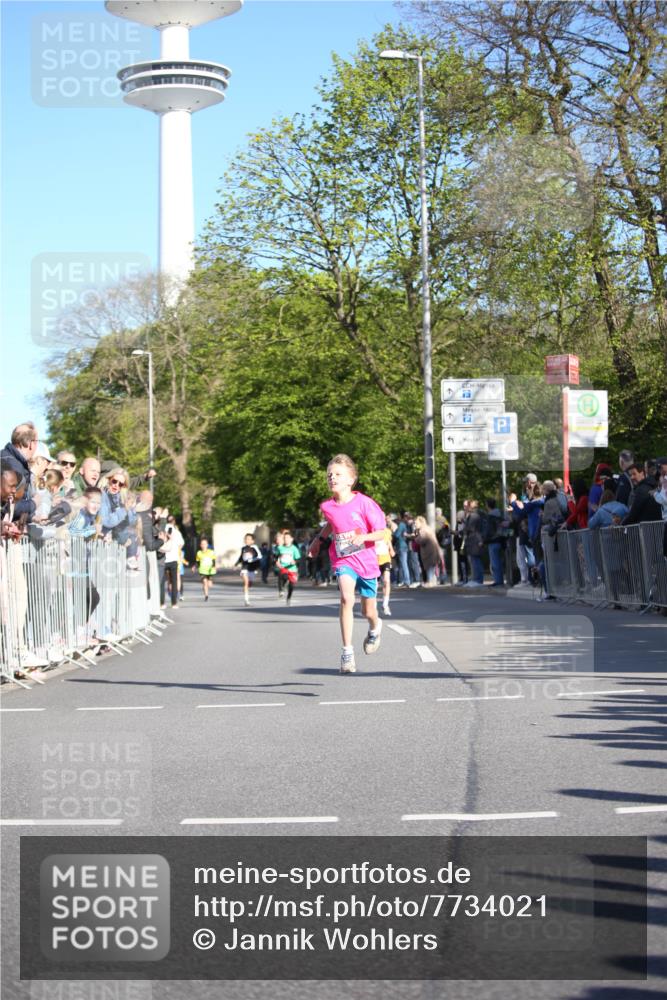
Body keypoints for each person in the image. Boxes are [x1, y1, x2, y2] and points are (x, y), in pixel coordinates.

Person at [308, 454, 386, 674]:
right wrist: (318, 541)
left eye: (338, 474)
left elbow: (382, 531)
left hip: (367, 562)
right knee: (346, 598)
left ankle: (374, 627)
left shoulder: (365, 503)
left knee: (368, 611)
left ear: (351, 479)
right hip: (344, 560)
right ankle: (347, 652)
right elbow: (331, 525)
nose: (332, 477)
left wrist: (364, 538)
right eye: (329, 474)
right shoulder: (328, 506)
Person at [413, 515, 443, 587]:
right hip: (432, 550)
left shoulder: (423, 530)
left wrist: (415, 538)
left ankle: (430, 582)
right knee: (431, 567)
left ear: (421, 522)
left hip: (429, 552)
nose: (415, 525)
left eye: (416, 523)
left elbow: (422, 540)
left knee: (429, 567)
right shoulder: (427, 528)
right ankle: (431, 581)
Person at [275, 530, 301, 606]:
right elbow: (275, 557)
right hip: (283, 567)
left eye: (287, 538)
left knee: (292, 585)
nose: (286, 539)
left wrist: (295, 562)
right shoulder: (280, 548)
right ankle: (281, 590)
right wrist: (277, 562)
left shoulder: (294, 549)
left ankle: (289, 597)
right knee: (282, 575)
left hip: (292, 569)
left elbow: (298, 559)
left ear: (291, 539)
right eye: (285, 538)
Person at [376, 516, 395, 614]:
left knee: (387, 581)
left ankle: (385, 604)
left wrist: (391, 549)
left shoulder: (387, 531)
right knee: (374, 584)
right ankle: (372, 604)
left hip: (386, 558)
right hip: (374, 559)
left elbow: (388, 541)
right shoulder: (372, 529)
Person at [235, 533, 261, 605]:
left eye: (249, 539)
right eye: (246, 539)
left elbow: (259, 557)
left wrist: (253, 560)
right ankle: (246, 600)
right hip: (244, 567)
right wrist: (236, 564)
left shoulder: (254, 548)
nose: (247, 540)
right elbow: (241, 557)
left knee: (250, 583)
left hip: (252, 568)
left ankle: (246, 588)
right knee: (246, 582)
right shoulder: (243, 548)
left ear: (253, 541)